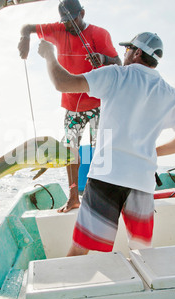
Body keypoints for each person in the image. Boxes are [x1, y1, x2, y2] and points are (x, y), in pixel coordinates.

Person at [37, 32, 175, 256]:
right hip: (142, 182)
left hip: (107, 176)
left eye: (127, 50)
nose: (123, 54)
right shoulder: (169, 93)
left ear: (137, 53)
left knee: (80, 249)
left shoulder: (116, 75)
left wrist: (49, 56)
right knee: (143, 253)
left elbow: (63, 83)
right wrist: (151, 153)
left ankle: (65, 289)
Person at [18, 0, 122, 213]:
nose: (68, 25)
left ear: (82, 13)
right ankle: (74, 197)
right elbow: (27, 27)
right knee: (70, 152)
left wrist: (102, 58)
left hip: (97, 104)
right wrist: (24, 39)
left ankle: (101, 199)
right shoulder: (58, 29)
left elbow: (118, 62)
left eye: (72, 20)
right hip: (72, 108)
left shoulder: (100, 34)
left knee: (101, 150)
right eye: (64, 21)